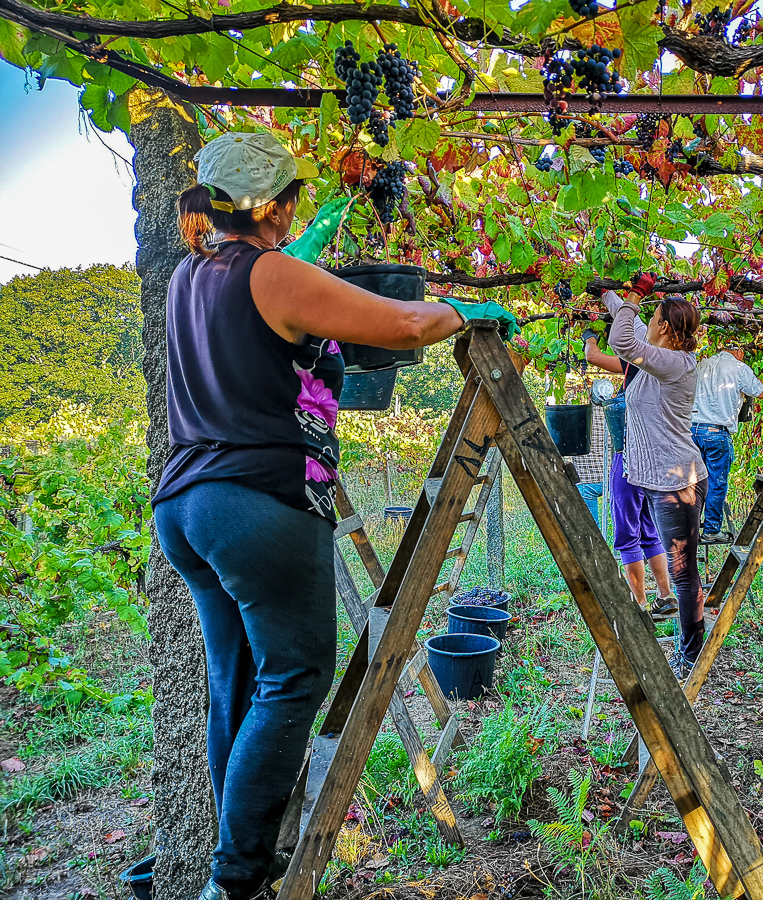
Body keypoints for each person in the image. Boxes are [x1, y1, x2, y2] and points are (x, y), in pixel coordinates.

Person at [151, 131, 517, 900]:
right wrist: (463, 308)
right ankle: (237, 875)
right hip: (259, 502)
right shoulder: (273, 274)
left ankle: (239, 851)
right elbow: (405, 326)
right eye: (295, 203)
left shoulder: (193, 274)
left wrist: (306, 246)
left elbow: (274, 297)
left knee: (240, 680)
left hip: (189, 505)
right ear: (279, 204)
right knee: (296, 673)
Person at [605, 276, 707, 678]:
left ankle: (691, 654)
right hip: (657, 480)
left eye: (652, 315)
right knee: (683, 570)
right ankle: (691, 646)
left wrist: (631, 298)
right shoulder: (655, 362)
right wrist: (611, 295)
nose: (645, 320)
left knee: (684, 574)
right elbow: (623, 322)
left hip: (676, 483)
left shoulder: (677, 364)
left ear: (664, 326)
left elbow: (622, 342)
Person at [581, 329, 676, 618]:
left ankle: (640, 605)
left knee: (626, 533)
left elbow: (592, 357)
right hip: (656, 462)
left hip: (629, 458)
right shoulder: (673, 366)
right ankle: (666, 595)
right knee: (649, 530)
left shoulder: (637, 361)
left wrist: (589, 334)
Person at [690, 342, 763, 541]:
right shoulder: (739, 368)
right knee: (716, 482)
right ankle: (712, 530)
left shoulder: (701, 365)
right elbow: (761, 392)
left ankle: (691, 528)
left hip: (692, 430)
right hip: (716, 431)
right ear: (739, 352)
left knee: (693, 482)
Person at [568, 384, 610, 526]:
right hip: (609, 477)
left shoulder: (580, 415)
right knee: (621, 524)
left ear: (590, 395)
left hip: (585, 478)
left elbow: (569, 444)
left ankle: (598, 547)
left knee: (592, 527)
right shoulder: (614, 414)